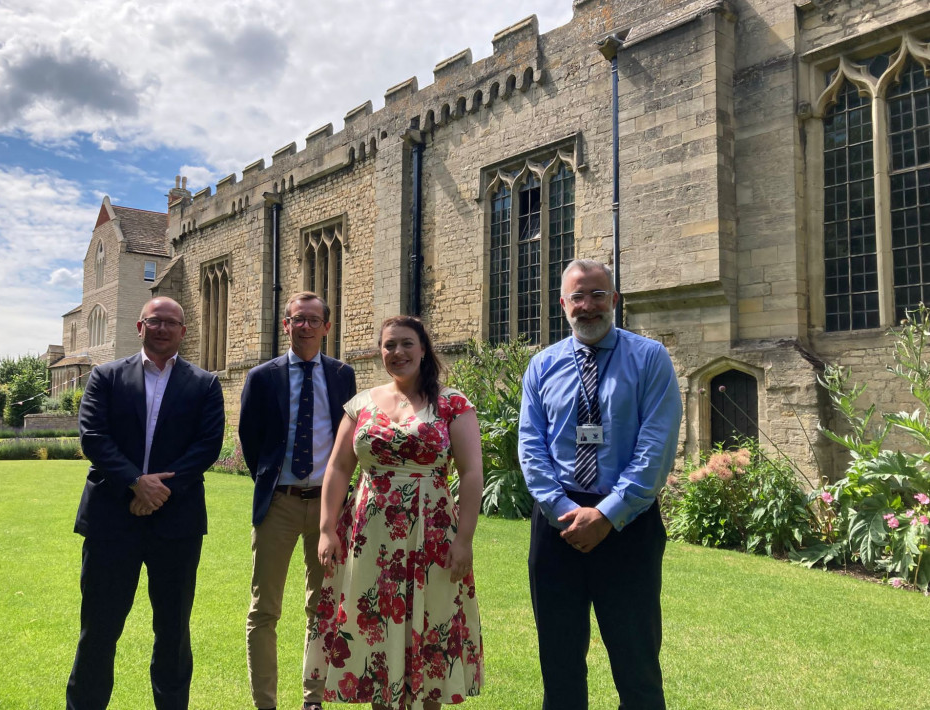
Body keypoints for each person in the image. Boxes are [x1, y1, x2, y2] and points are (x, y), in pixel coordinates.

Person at [518, 259, 682, 710]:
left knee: (636, 663)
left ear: (614, 299)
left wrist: (607, 514)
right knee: (559, 660)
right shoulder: (542, 366)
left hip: (628, 524)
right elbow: (531, 447)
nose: (587, 306)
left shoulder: (650, 359)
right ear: (562, 304)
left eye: (596, 295)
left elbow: (656, 445)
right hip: (557, 527)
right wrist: (562, 510)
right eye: (577, 296)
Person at [308, 315, 485, 710]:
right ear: (380, 352)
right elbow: (338, 468)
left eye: (407, 344)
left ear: (424, 349)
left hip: (433, 534)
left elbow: (472, 473)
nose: (397, 352)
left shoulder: (452, 403)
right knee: (376, 627)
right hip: (371, 538)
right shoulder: (361, 404)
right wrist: (326, 529)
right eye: (389, 345)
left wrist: (465, 539)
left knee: (431, 625)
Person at [66, 296, 225, 710]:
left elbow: (206, 446)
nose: (162, 328)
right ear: (140, 327)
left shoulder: (204, 383)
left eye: (172, 323)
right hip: (111, 522)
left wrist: (157, 491)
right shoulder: (105, 376)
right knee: (98, 630)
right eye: (155, 321)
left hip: (176, 525)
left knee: (173, 633)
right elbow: (94, 438)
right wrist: (136, 483)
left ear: (183, 332)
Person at [239, 292, 357, 710]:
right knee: (264, 610)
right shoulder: (262, 377)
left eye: (313, 319)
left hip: (330, 507)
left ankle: (313, 700)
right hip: (279, 505)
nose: (304, 326)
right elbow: (251, 442)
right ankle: (265, 703)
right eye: (296, 320)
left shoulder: (343, 375)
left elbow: (348, 442)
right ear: (285, 326)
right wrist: (276, 483)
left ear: (327, 326)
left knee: (323, 607)